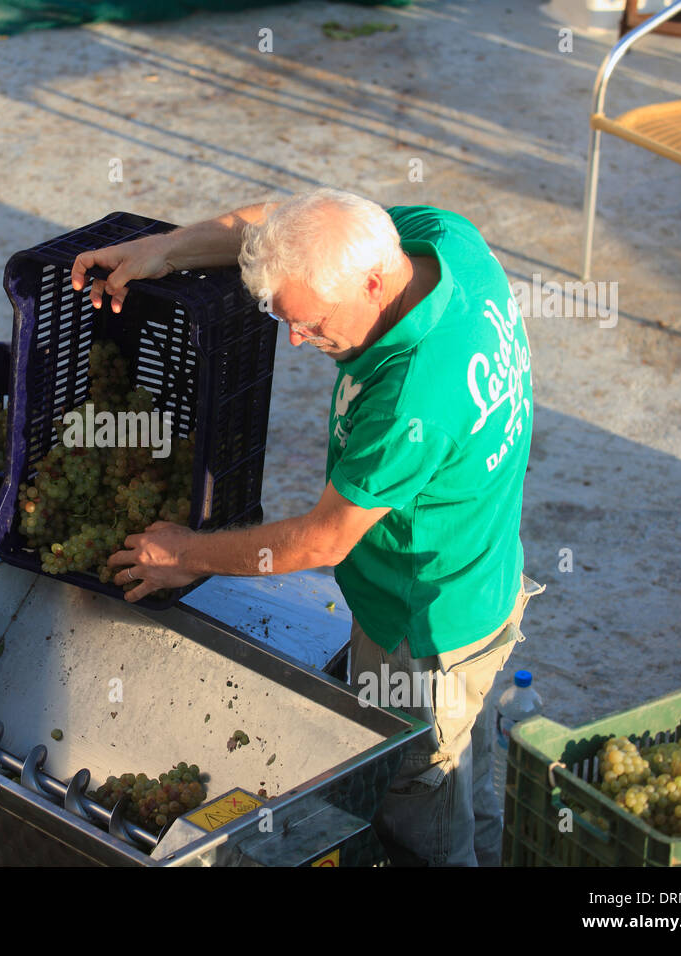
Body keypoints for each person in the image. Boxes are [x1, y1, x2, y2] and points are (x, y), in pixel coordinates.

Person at [76, 188, 542, 866]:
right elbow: (285, 219)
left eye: (313, 322)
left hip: (423, 631)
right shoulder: (439, 241)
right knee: (471, 773)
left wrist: (191, 554)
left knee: (424, 815)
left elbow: (322, 539)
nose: (296, 340)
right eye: (285, 318)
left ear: (373, 283)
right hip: (486, 578)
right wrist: (165, 249)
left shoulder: (414, 399)